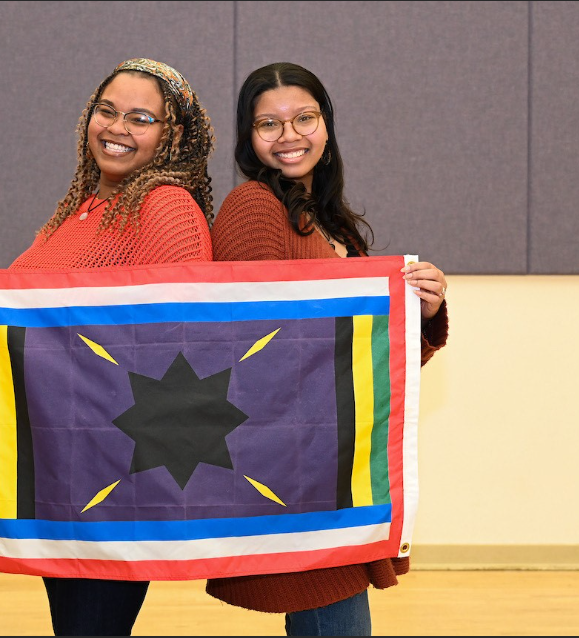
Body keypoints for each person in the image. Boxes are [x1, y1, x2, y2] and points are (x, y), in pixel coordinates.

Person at [0, 58, 215, 636]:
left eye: (141, 118)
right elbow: (47, 322)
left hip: (112, 473)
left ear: (173, 137)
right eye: (107, 110)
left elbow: (179, 343)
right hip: (65, 465)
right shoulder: (80, 210)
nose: (116, 127)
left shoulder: (165, 205)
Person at [205, 62, 449, 636]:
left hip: (329, 465)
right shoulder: (255, 209)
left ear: (327, 126)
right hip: (293, 474)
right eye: (269, 124)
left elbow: (364, 361)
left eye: (304, 118)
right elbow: (249, 353)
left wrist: (424, 312)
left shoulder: (332, 222)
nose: (289, 135)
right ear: (249, 138)